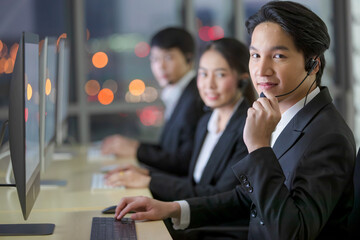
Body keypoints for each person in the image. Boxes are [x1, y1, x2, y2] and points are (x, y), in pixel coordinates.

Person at [114, 1, 356, 239]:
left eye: (278, 56)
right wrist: (175, 209)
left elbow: (292, 232)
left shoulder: (327, 136)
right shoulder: (284, 116)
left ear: (313, 63)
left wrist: (259, 147)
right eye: (256, 55)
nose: (261, 70)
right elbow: (247, 196)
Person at [105, 38, 256, 204]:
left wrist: (150, 182)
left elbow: (220, 196)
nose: (209, 84)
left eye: (220, 74)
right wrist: (146, 174)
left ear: (242, 79)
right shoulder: (206, 121)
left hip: (212, 225)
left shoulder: (248, 129)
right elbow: (193, 181)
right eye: (204, 74)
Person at [101, 27, 205, 176]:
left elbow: (184, 161)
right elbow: (168, 149)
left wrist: (137, 151)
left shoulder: (195, 98)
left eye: (168, 58)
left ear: (189, 59)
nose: (160, 67)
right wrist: (133, 146)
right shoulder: (179, 93)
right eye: (155, 59)